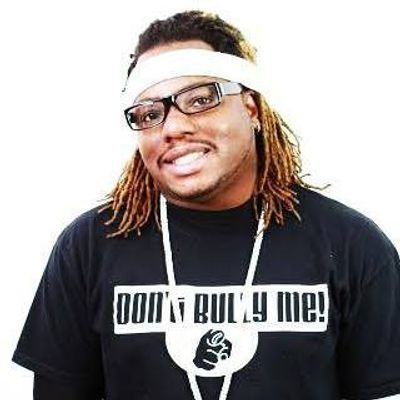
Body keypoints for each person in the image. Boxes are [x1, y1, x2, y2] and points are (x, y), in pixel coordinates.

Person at [12, 10, 400, 400]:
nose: (173, 127)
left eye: (200, 100)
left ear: (250, 108)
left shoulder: (351, 245)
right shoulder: (88, 247)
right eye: (149, 114)